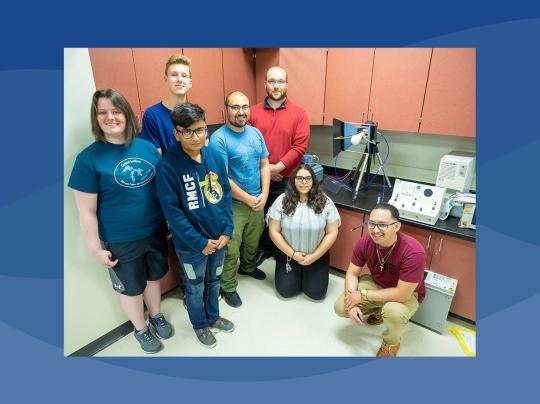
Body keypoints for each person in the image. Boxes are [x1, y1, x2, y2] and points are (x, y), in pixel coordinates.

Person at [68, 88, 173, 354]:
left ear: (126, 114)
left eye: (116, 111)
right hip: (120, 239)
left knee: (153, 278)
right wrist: (94, 249)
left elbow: (161, 190)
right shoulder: (88, 159)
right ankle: (140, 329)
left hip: (155, 229)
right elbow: (86, 211)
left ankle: (156, 315)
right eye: (102, 112)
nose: (110, 117)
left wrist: (170, 221)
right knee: (130, 288)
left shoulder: (147, 148)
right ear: (96, 117)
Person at [155, 103, 235, 348]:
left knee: (214, 282)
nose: (195, 136)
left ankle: (213, 316)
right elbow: (173, 212)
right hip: (192, 247)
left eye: (200, 130)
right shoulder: (168, 165)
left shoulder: (214, 156)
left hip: (219, 239)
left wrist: (228, 230)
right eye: (187, 131)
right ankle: (200, 325)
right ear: (176, 133)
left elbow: (226, 195)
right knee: (195, 286)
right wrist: (200, 243)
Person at [333, 203, 426, 357]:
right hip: (376, 284)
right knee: (341, 307)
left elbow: (402, 294)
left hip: (407, 294)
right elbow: (352, 274)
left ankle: (391, 342)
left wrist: (361, 295)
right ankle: (378, 310)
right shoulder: (364, 242)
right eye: (372, 223)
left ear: (396, 226)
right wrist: (351, 300)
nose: (375, 230)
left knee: (393, 312)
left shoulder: (413, 251)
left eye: (382, 225)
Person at [208, 91, 271, 307]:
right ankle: (228, 286)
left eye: (245, 107)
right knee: (231, 248)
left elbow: (264, 164)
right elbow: (222, 178)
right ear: (226, 109)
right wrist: (248, 199)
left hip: (257, 200)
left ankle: (249, 267)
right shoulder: (219, 139)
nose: (241, 111)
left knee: (253, 241)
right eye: (235, 107)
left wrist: (264, 194)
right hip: (233, 205)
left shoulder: (255, 133)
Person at [248, 66, 310, 266]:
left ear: (287, 84)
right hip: (257, 177)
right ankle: (264, 249)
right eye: (272, 81)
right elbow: (248, 145)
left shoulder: (299, 113)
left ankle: (281, 252)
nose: (276, 86)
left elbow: (299, 146)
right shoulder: (252, 112)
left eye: (280, 81)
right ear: (265, 83)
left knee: (283, 216)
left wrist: (276, 168)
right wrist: (265, 170)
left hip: (287, 179)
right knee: (262, 216)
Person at [267, 164, 340, 300]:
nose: (303, 182)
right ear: (293, 180)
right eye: (299, 178)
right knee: (286, 291)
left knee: (316, 294)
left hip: (316, 256)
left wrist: (315, 256)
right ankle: (296, 274)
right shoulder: (281, 201)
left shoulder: (326, 202)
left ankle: (307, 274)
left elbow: (332, 233)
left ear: (313, 180)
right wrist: (293, 254)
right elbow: (274, 231)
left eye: (307, 178)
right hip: (288, 256)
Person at [140, 54, 192, 154]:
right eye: (174, 74)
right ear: (166, 79)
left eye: (184, 75)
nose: (179, 79)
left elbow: (204, 150)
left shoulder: (197, 114)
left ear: (190, 83)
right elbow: (155, 159)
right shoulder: (152, 115)